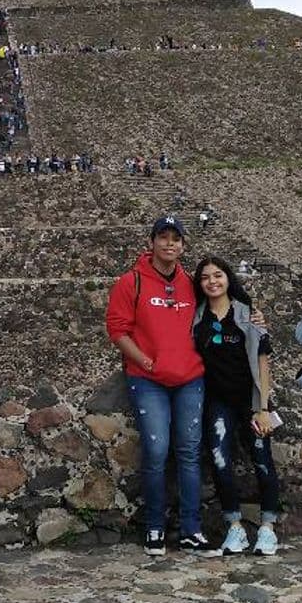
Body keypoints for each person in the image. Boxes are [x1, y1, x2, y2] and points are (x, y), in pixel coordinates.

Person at [106, 216, 220, 557]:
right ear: (152, 242)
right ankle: (154, 526)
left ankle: (191, 528)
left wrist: (254, 318)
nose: (170, 244)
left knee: (188, 452)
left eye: (176, 239)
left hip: (189, 378)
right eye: (163, 237)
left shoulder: (191, 284)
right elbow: (117, 329)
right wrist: (142, 360)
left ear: (183, 245)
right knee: (156, 451)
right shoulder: (132, 282)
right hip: (148, 380)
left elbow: (222, 303)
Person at [192, 256, 281, 556]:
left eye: (218, 275)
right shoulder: (197, 318)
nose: (212, 282)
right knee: (219, 460)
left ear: (228, 278)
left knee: (262, 460)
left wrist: (264, 407)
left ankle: (268, 528)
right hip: (217, 402)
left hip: (250, 400)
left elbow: (262, 361)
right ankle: (235, 527)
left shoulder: (247, 315)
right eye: (205, 277)